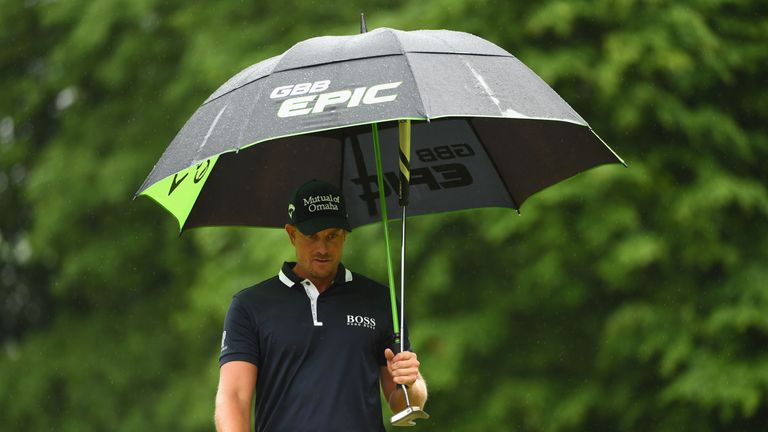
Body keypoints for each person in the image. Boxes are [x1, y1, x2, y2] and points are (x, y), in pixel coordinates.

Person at [214, 179, 428, 432]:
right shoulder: (250, 305)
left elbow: (402, 403)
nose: (323, 248)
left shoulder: (380, 300)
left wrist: (412, 384)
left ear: (345, 235)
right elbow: (234, 397)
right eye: (312, 236)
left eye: (332, 236)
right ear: (292, 234)